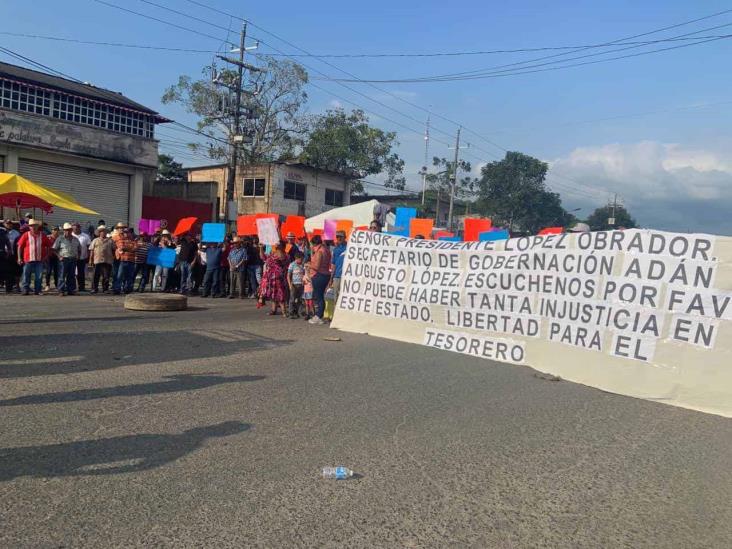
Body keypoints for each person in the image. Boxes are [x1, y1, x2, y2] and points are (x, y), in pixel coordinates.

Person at [16, 218, 51, 295]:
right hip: (28, 259)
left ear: (37, 226)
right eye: (31, 226)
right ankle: (25, 290)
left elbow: (49, 246)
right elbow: (19, 246)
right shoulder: (26, 235)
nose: (33, 227)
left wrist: (47, 256)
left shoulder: (42, 235)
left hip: (39, 259)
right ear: (29, 227)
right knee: (26, 275)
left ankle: (37, 290)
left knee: (39, 276)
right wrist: (19, 258)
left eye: (34, 225)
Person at [308, 235, 332, 325]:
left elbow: (317, 266)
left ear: (314, 243)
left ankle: (318, 316)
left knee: (319, 297)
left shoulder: (319, 252)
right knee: (320, 296)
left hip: (319, 275)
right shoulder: (326, 250)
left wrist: (308, 265)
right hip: (325, 275)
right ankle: (319, 315)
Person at [53, 222, 81, 296]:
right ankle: (61, 290)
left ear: (71, 230)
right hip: (63, 259)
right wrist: (59, 256)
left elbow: (79, 249)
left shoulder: (76, 239)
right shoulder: (60, 239)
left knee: (71, 275)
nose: (67, 231)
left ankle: (71, 290)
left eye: (69, 230)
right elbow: (54, 249)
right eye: (66, 230)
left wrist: (78, 256)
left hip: (73, 259)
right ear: (64, 231)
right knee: (62, 275)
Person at [261, 243, 288, 316]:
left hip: (279, 277)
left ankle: (284, 311)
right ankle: (273, 310)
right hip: (271, 277)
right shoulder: (273, 254)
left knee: (280, 293)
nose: (275, 246)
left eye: (277, 246)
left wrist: (278, 248)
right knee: (273, 293)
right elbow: (263, 258)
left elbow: (281, 258)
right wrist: (260, 248)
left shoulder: (284, 255)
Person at [89, 225, 114, 294]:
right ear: (99, 233)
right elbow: (91, 250)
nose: (103, 233)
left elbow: (114, 250)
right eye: (102, 232)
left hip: (107, 260)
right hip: (97, 260)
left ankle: (105, 289)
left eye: (104, 231)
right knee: (95, 276)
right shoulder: (95, 240)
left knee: (106, 276)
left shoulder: (110, 241)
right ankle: (94, 289)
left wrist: (112, 258)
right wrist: (90, 260)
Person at [112, 224, 137, 295]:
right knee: (119, 275)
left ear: (130, 233)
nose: (126, 233)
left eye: (127, 232)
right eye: (125, 232)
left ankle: (127, 289)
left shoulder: (132, 240)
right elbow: (114, 246)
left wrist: (125, 248)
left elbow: (135, 248)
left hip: (131, 260)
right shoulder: (115, 237)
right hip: (121, 259)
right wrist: (127, 248)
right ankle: (117, 289)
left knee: (129, 276)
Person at [329, 230, 347, 307]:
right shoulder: (335, 250)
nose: (339, 238)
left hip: (347, 276)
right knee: (336, 296)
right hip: (337, 276)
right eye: (337, 237)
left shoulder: (350, 247)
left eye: (340, 237)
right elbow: (333, 265)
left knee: (345, 296)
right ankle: (335, 316)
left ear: (345, 237)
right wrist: (331, 278)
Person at [72, 222, 91, 292]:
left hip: (82, 257)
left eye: (76, 228)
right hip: (72, 258)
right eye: (73, 229)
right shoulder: (71, 235)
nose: (75, 230)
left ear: (80, 228)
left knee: (81, 273)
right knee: (72, 273)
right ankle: (72, 287)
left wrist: (88, 257)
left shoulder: (86, 236)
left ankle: (81, 287)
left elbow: (89, 247)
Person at [287, 252, 305, 318]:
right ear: (297, 258)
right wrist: (290, 284)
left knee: (300, 299)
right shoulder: (292, 265)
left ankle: (300, 312)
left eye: (303, 259)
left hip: (301, 284)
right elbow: (288, 275)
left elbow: (304, 273)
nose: (302, 260)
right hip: (294, 284)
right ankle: (291, 312)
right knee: (292, 299)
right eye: (301, 259)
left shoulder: (303, 265)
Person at [44, 226, 61, 292]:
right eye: (54, 230)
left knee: (56, 272)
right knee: (48, 271)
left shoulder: (60, 238)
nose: (56, 231)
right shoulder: (48, 237)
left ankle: (56, 284)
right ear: (52, 231)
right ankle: (47, 285)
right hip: (49, 256)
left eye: (57, 230)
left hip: (57, 257)